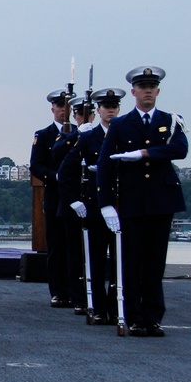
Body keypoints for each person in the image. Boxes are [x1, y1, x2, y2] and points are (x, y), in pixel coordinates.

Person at [98, 67, 187, 337]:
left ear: (158, 91)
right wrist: (105, 203)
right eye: (143, 86)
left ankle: (153, 317)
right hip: (132, 200)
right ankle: (134, 317)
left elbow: (180, 149)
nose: (148, 91)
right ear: (134, 92)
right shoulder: (120, 125)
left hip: (161, 200)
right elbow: (105, 164)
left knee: (155, 262)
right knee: (132, 261)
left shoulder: (170, 121)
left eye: (152, 86)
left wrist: (143, 153)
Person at [58, 88, 125, 325]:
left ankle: (118, 306)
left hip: (121, 205)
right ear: (98, 111)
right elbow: (65, 171)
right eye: (107, 108)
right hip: (96, 206)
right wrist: (74, 199)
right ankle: (98, 307)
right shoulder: (87, 137)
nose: (111, 111)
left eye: (114, 107)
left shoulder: (125, 135)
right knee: (96, 259)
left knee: (121, 262)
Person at [52, 96, 96, 315]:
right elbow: (58, 158)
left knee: (95, 254)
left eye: (89, 114)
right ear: (75, 116)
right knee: (73, 254)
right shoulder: (69, 137)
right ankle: (76, 295)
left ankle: (96, 297)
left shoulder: (100, 137)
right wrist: (79, 135)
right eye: (80, 114)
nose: (85, 118)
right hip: (73, 203)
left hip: (96, 203)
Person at [30, 88, 72, 308]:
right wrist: (57, 176)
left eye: (68, 106)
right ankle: (58, 290)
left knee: (75, 246)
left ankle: (76, 288)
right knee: (56, 245)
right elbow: (36, 165)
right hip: (55, 195)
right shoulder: (43, 135)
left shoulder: (79, 132)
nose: (64, 110)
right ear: (53, 108)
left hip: (77, 197)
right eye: (60, 105)